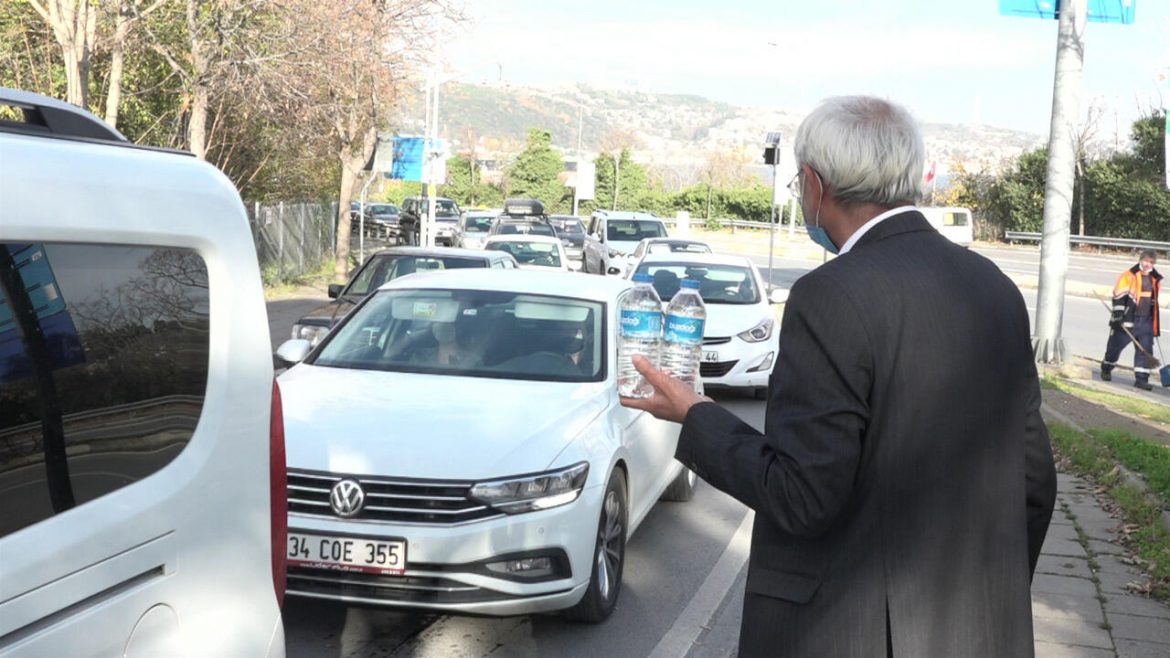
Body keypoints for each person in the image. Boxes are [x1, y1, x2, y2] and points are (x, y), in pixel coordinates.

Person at [621, 96, 1057, 657]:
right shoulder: (995, 289)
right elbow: (1035, 482)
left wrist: (696, 414)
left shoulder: (830, 297)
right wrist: (988, 601)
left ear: (813, 183)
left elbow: (802, 496)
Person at [1101, 250, 1162, 390]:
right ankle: (1106, 368)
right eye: (1146, 261)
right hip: (1127, 319)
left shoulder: (1154, 279)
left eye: (1151, 262)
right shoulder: (1128, 276)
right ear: (1141, 260)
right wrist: (1118, 314)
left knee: (1145, 350)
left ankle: (1141, 379)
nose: (1148, 264)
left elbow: (1154, 302)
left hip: (1145, 321)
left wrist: (1154, 324)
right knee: (1114, 348)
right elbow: (1118, 295)